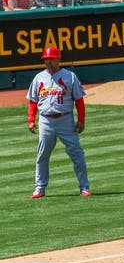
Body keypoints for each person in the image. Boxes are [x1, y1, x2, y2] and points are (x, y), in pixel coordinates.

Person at [26, 46, 91, 199]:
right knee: (42, 155)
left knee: (77, 153)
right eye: (45, 59)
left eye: (50, 58)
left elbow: (79, 100)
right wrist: (31, 120)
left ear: (58, 59)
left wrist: (81, 120)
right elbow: (33, 102)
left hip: (65, 120)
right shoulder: (39, 78)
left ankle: (84, 187)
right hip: (45, 121)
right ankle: (39, 188)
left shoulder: (70, 76)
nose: (48, 61)